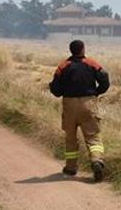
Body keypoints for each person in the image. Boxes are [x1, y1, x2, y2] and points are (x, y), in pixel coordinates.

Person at [48, 39, 110, 181]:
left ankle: (70, 168)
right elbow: (105, 80)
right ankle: (96, 161)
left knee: (70, 138)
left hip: (69, 104)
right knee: (93, 136)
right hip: (88, 103)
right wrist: (96, 92)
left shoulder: (63, 66)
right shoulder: (92, 63)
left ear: (71, 50)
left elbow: (55, 89)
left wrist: (60, 90)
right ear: (83, 49)